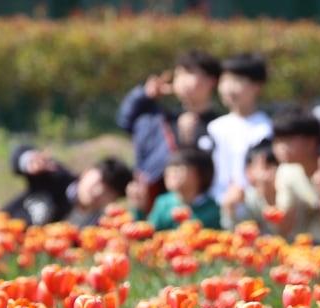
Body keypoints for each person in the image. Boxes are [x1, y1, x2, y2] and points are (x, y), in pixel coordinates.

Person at [116, 50, 222, 210]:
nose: (182, 80)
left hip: (202, 209)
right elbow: (125, 120)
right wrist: (144, 95)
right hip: (155, 203)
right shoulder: (160, 119)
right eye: (178, 74)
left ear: (211, 81)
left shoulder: (219, 125)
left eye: (190, 73)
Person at [2, 145, 132, 228]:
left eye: (109, 192)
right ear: (88, 171)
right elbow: (18, 154)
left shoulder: (97, 227)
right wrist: (29, 161)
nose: (99, 192)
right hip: (2, 233)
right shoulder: (55, 176)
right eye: (100, 181)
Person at [206, 53, 273, 199]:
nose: (228, 88)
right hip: (214, 206)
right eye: (224, 80)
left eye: (237, 80)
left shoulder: (266, 129)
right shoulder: (214, 128)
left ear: (257, 86)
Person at [271, 109, 320, 241]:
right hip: (304, 245)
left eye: (287, 140)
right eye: (277, 140)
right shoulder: (286, 171)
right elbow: (284, 227)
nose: (280, 147)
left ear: (311, 141)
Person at [146, 148, 221, 231]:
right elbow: (150, 231)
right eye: (170, 168)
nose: (172, 173)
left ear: (200, 174)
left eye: (179, 168)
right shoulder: (163, 203)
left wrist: (182, 216)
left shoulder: (211, 209)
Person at [221, 141, 280, 236]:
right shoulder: (244, 197)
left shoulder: (286, 193)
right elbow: (236, 233)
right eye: (259, 166)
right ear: (247, 171)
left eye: (270, 167)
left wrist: (270, 199)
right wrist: (229, 209)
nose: (264, 174)